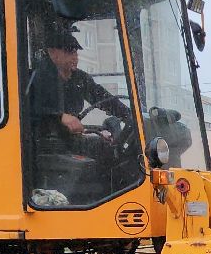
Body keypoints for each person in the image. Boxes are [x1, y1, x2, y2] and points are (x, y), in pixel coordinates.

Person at [24, 18, 134, 209]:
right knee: (99, 153)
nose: (74, 56)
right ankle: (84, 203)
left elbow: (101, 96)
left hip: (67, 141)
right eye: (69, 51)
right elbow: (27, 108)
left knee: (111, 149)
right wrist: (59, 116)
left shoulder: (79, 78)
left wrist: (129, 115)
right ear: (53, 53)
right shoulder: (38, 77)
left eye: (75, 52)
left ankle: (109, 201)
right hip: (41, 145)